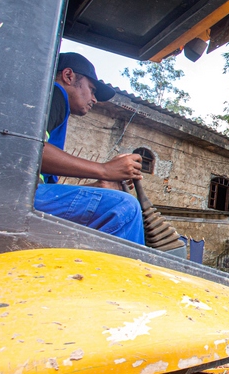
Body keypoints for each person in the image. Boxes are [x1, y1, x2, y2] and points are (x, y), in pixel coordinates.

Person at [33, 52, 146, 245]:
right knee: (124, 206)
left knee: (112, 200)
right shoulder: (55, 93)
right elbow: (31, 149)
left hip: (30, 192)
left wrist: (96, 187)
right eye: (92, 90)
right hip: (20, 194)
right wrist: (105, 170)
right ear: (68, 76)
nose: (94, 99)